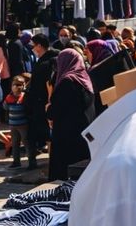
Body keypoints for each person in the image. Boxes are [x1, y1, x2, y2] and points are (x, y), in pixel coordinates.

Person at [46, 49, 95, 180]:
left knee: (63, 175)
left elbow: (56, 110)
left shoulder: (67, 82)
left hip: (66, 135)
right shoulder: (84, 78)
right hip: (83, 132)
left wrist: (48, 109)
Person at [26, 34, 57, 168]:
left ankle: (52, 163)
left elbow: (47, 85)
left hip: (43, 103)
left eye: (33, 45)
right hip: (44, 103)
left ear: (39, 46)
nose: (32, 48)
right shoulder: (51, 59)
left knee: (48, 135)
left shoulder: (46, 63)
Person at [3, 75, 34, 168]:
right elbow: (5, 107)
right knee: (15, 143)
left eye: (20, 85)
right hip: (13, 124)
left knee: (26, 142)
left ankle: (32, 162)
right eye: (15, 85)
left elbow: (28, 108)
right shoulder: (9, 97)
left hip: (23, 124)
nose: (17, 87)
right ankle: (16, 161)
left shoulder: (24, 97)